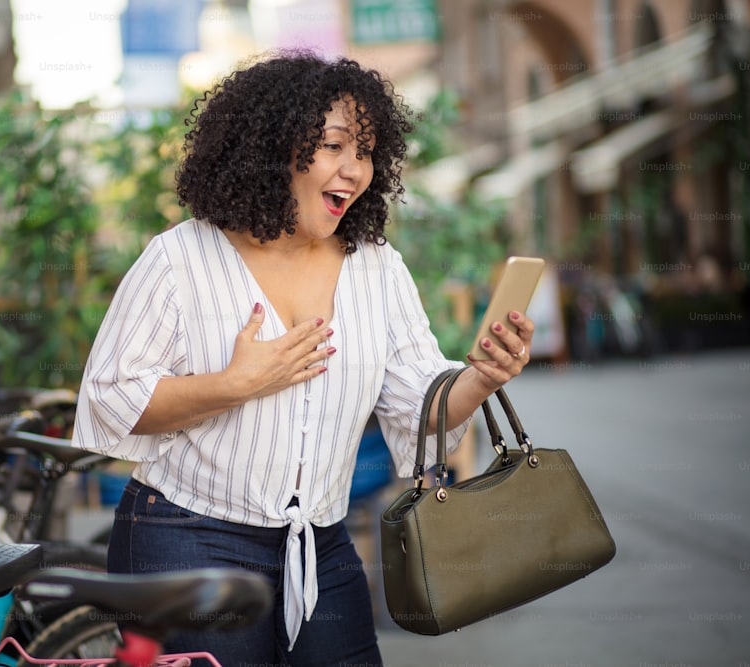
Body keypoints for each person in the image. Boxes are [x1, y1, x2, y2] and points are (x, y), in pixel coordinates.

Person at [72, 52, 535, 667]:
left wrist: (480, 377)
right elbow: (112, 398)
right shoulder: (179, 260)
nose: (354, 170)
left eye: (366, 152)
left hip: (321, 543)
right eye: (335, 146)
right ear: (272, 148)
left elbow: (419, 402)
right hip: (184, 538)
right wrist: (235, 384)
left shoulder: (377, 268)